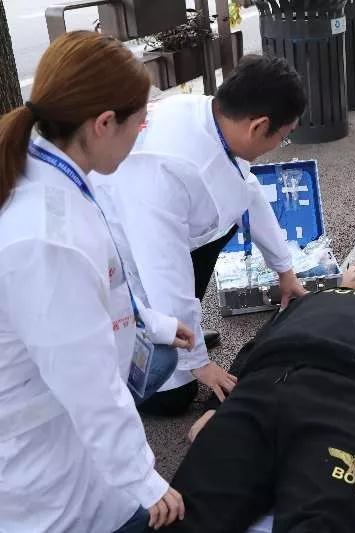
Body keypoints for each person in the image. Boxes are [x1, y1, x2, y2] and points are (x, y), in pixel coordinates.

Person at [0, 31, 190, 532]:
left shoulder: (45, 168)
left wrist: (155, 324)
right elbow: (89, 385)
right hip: (40, 462)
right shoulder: (49, 238)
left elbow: (103, 288)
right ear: (104, 123)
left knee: (161, 359)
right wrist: (144, 480)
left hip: (53, 403)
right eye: (139, 122)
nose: (142, 133)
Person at [162, 259, 355, 533]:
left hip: (351, 400)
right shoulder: (304, 301)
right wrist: (217, 405)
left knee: (324, 518)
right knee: (184, 511)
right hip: (260, 391)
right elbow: (253, 349)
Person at [95, 55, 309, 416]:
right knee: (174, 397)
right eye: (283, 137)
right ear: (259, 126)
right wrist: (198, 362)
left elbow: (248, 192)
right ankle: (114, 369)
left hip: (160, 242)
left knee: (223, 227)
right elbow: (163, 268)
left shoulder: (216, 118)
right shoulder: (165, 169)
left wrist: (285, 271)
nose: (279, 144)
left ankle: (180, 331)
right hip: (117, 257)